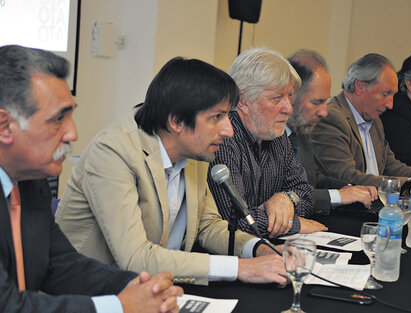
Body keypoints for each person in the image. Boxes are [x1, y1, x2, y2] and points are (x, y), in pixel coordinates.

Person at [56, 57, 287, 286]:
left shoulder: (194, 149)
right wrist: (240, 268)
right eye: (217, 117)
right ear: (177, 121)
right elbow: (136, 258)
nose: (229, 130)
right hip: (90, 295)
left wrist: (258, 250)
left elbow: (208, 227)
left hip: (157, 288)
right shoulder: (113, 152)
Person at [0, 45, 182, 313]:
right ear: (5, 127)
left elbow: (58, 263)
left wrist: (138, 285)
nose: (72, 133)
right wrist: (119, 306)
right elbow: (7, 305)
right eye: (57, 119)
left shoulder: (30, 180)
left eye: (71, 115)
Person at [207, 47, 327, 239]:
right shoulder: (223, 140)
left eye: (289, 96)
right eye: (276, 98)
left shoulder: (276, 135)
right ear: (243, 100)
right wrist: (292, 224)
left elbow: (306, 193)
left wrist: (285, 199)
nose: (288, 108)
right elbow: (235, 221)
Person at [308, 53, 411, 193]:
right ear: (360, 87)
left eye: (392, 95)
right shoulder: (332, 118)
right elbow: (347, 177)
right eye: (385, 94)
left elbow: (392, 166)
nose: (390, 105)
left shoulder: (374, 120)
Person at [286, 49, 377, 214]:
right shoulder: (270, 135)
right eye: (317, 102)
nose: (324, 112)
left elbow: (314, 178)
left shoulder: (301, 130)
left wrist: (350, 188)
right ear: (292, 95)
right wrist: (338, 195)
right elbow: (285, 195)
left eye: (325, 101)